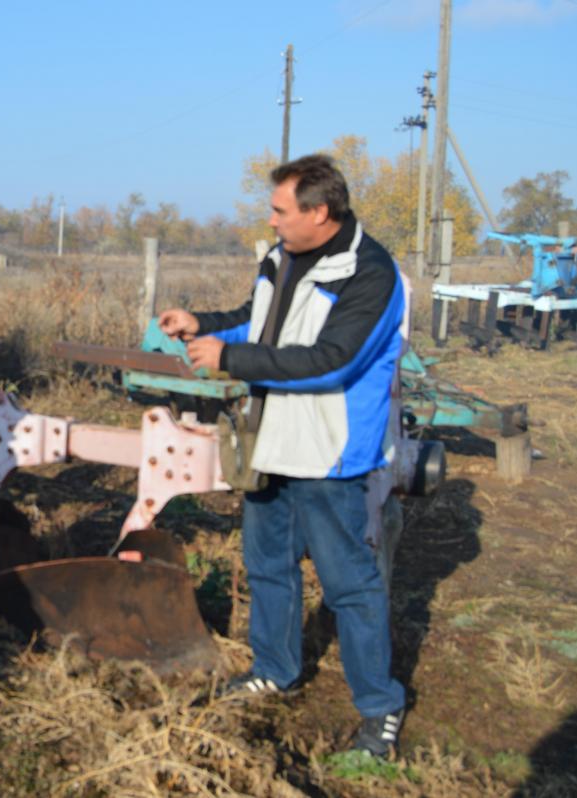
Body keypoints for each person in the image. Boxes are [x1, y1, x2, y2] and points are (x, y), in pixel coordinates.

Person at [159, 154, 407, 757]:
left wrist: (230, 360)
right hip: (270, 439)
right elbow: (257, 322)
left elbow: (334, 360)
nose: (270, 221)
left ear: (318, 213)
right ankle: (275, 668)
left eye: (278, 210)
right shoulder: (280, 258)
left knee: (349, 582)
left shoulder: (370, 274)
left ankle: (379, 707)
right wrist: (205, 324)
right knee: (268, 563)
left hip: (326, 451)